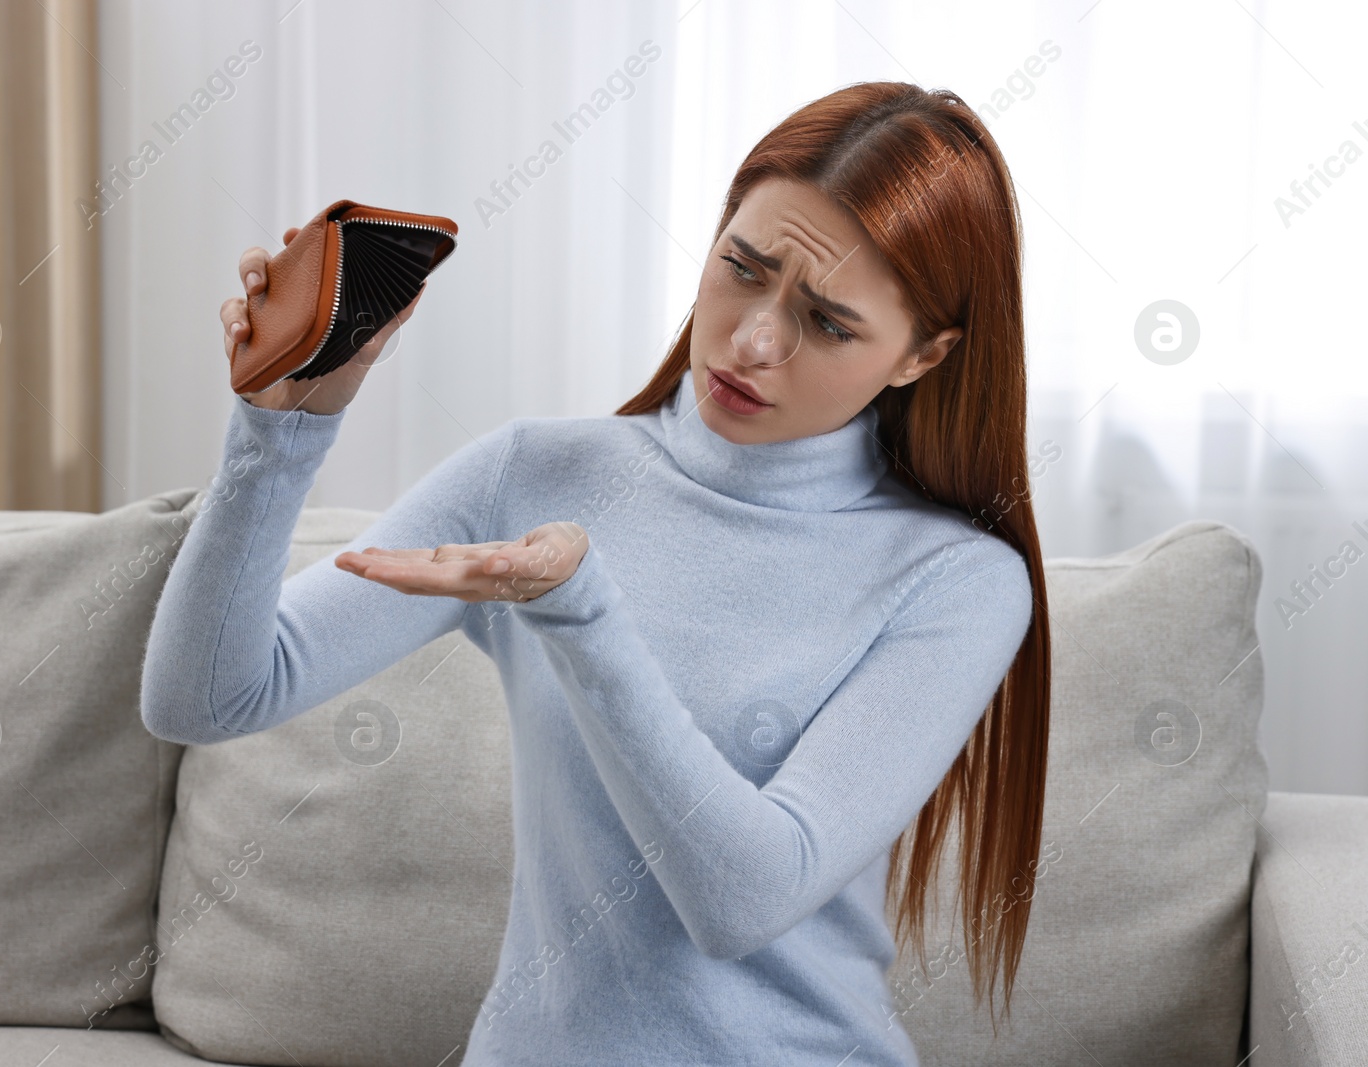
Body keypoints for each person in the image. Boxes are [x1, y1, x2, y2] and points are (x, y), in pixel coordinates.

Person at [141, 79, 1051, 1067]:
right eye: (740, 267)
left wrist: (579, 610)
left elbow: (744, 898)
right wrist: (283, 428)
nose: (753, 341)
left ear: (924, 353)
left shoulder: (958, 581)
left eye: (829, 322)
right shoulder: (535, 471)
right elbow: (204, 696)